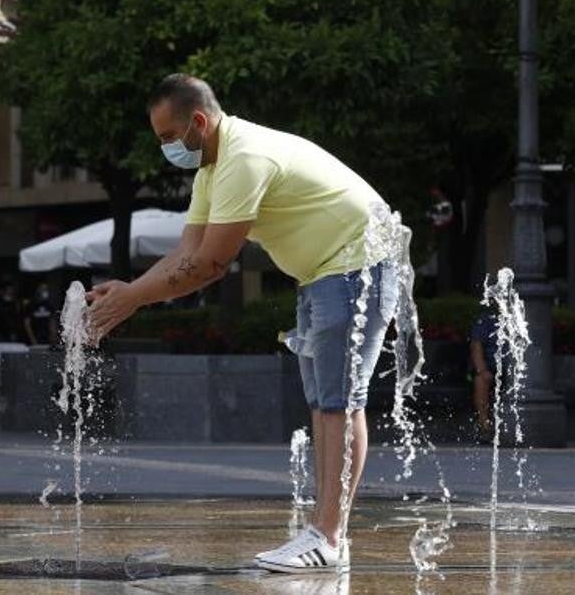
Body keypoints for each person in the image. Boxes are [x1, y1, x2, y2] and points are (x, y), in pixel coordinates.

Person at [87, 74, 396, 573]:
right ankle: (323, 531)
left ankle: (329, 536)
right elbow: (187, 252)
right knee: (323, 403)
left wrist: (133, 299)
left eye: (169, 137)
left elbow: (210, 264)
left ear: (200, 122)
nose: (166, 148)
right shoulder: (213, 169)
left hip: (357, 266)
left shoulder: (243, 158)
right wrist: (129, 292)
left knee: (340, 400)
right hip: (324, 273)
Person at [468, 311, 503, 440]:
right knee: (480, 380)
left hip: (512, 369)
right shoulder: (487, 320)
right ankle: (484, 425)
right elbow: (476, 345)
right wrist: (482, 370)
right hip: (490, 367)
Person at [0, 279, 24, 343]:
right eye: (7, 290)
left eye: (11, 291)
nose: (10, 293)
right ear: (2, 291)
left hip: (13, 336)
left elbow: (19, 319)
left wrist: (17, 332)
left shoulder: (15, 303)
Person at [25, 282, 57, 347]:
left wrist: (53, 336)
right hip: (35, 338)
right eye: (43, 289)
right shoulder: (31, 305)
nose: (45, 291)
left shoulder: (49, 305)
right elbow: (27, 324)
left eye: (46, 289)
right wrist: (32, 339)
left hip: (47, 339)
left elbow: (52, 321)